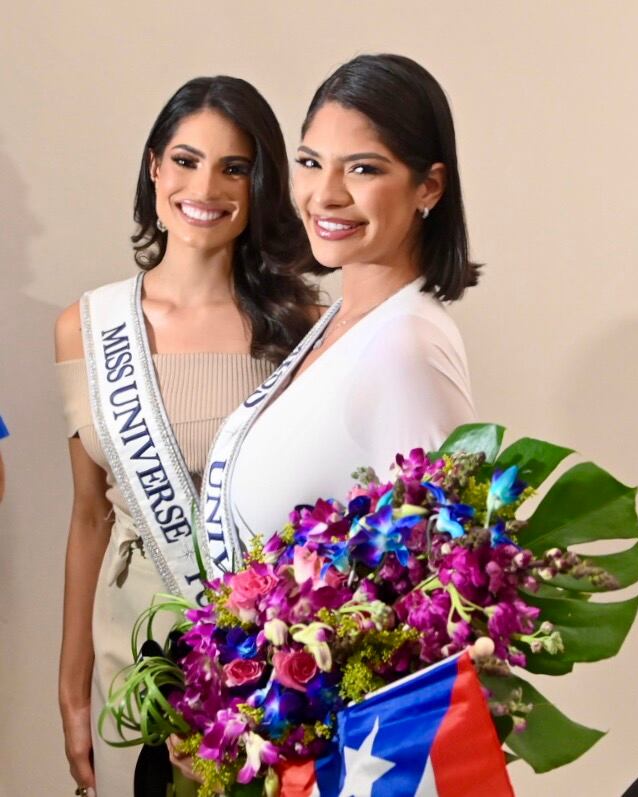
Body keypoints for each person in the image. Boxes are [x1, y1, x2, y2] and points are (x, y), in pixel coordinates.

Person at [171, 52, 479, 786]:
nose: (325, 194)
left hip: (350, 765)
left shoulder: (407, 343)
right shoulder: (337, 319)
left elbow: (442, 607)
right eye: (311, 162)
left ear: (428, 186)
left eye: (363, 169)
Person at [55, 75, 319, 797]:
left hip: (258, 658)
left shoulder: (300, 327)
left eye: (234, 166)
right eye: (185, 158)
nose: (205, 184)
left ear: (258, 185)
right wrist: (73, 685)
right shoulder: (87, 326)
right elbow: (89, 514)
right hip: (128, 657)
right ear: (153, 167)